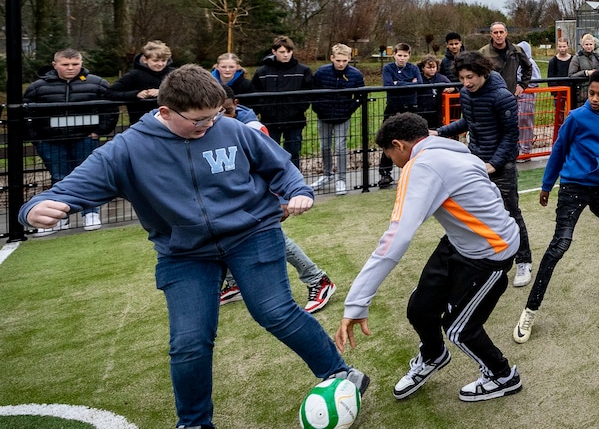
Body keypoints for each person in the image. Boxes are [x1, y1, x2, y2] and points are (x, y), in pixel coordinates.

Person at [19, 65, 368, 428]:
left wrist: (298, 191)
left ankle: (340, 373)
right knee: (189, 341)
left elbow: (280, 165)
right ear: (165, 111)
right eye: (199, 120)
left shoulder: (231, 129)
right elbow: (66, 190)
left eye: (215, 115)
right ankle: (194, 422)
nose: (210, 125)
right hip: (184, 252)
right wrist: (33, 209)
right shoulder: (126, 149)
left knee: (275, 312)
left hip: (252, 234)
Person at [336, 112, 523, 403]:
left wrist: (357, 302)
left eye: (388, 154)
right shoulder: (452, 149)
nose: (392, 161)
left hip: (490, 253)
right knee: (420, 308)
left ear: (398, 145)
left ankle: (503, 376)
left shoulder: (421, 165)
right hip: (459, 242)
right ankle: (433, 355)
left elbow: (397, 237)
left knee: (460, 329)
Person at [512, 69, 599, 344]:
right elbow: (559, 149)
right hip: (573, 187)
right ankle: (530, 311)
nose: (594, 98)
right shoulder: (576, 118)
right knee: (560, 245)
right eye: (591, 93)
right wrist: (547, 185)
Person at [216, 86, 338, 314]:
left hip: (257, 199)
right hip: (231, 200)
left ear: (235, 105)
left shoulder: (251, 128)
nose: (221, 118)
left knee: (272, 237)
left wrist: (282, 199)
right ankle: (234, 283)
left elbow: (274, 164)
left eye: (227, 111)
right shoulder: (208, 129)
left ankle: (317, 279)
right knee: (227, 235)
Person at [435, 51, 535, 288]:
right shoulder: (466, 93)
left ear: (483, 72)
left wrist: (494, 164)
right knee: (476, 212)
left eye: (470, 77)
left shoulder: (502, 97)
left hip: (501, 165)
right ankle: (483, 257)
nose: (466, 83)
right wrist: (439, 132)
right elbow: (468, 122)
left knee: (511, 212)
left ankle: (524, 261)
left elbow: (511, 135)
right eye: (462, 78)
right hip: (476, 162)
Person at [23, 48, 118, 233]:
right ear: (55, 65)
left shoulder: (97, 83)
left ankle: (91, 213)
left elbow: (110, 109)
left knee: (89, 176)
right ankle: (60, 218)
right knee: (59, 178)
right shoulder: (37, 87)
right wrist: (36, 138)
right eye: (65, 64)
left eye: (75, 64)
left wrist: (100, 131)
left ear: (81, 63)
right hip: (50, 141)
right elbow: (26, 114)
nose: (70, 68)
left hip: (85, 138)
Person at [251, 35, 314, 168]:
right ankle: (274, 178)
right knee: (270, 152)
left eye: (288, 51)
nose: (286, 55)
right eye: (282, 52)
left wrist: (298, 108)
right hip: (270, 120)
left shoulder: (303, 71)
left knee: (293, 152)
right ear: (274, 51)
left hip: (295, 120)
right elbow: (255, 93)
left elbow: (308, 93)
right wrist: (265, 109)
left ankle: (294, 179)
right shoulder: (263, 72)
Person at [311, 43, 365, 195]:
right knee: (325, 146)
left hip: (343, 116)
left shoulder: (355, 74)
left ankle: (341, 179)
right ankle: (327, 174)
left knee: (340, 147)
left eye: (344, 61)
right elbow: (313, 92)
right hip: (323, 115)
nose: (341, 64)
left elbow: (361, 95)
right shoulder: (321, 72)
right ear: (332, 58)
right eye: (338, 60)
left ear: (349, 59)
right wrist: (318, 108)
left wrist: (348, 110)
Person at [378, 43, 421, 187]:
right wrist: (409, 83)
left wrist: (398, 83)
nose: (402, 58)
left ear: (409, 56)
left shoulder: (414, 68)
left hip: (410, 108)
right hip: (393, 107)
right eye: (399, 55)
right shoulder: (388, 68)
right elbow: (388, 85)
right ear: (394, 55)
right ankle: (385, 173)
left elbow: (420, 84)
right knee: (389, 139)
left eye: (405, 56)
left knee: (413, 140)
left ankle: (413, 172)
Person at [110, 40, 175, 122]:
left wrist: (161, 92)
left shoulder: (174, 74)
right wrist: (136, 94)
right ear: (145, 59)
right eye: (155, 61)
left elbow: (185, 92)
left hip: (170, 121)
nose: (160, 64)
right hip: (141, 121)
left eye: (163, 60)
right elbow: (110, 93)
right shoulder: (133, 75)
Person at [479, 22, 534, 97]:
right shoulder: (482, 53)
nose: (499, 35)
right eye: (495, 32)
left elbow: (528, 67)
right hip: (489, 97)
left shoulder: (516, 50)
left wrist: (522, 85)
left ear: (506, 33)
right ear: (491, 34)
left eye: (501, 32)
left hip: (510, 95)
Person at [516, 41, 541, 157]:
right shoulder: (516, 63)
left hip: (527, 96)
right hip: (517, 97)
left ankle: (526, 149)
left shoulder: (530, 63)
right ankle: (517, 147)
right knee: (517, 121)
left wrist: (522, 87)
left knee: (525, 121)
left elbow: (535, 81)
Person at [416, 54, 453, 130]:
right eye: (429, 67)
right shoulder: (418, 78)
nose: (432, 69)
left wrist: (452, 89)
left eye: (434, 67)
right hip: (420, 110)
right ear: (422, 68)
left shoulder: (441, 78)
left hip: (437, 111)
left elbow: (452, 86)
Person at [570, 33, 599, 105]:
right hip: (581, 91)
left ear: (594, 45)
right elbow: (571, 75)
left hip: (595, 90)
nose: (589, 46)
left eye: (591, 44)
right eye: (586, 44)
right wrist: (585, 73)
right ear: (582, 45)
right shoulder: (577, 57)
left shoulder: (597, 57)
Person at [548, 38, 574, 129]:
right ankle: (560, 131)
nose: (562, 49)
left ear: (568, 46)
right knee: (559, 113)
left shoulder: (573, 59)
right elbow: (550, 78)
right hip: (558, 92)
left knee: (573, 111)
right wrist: (554, 92)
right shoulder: (553, 61)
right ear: (557, 47)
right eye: (560, 46)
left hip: (571, 90)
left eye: (564, 46)